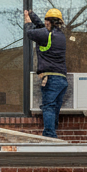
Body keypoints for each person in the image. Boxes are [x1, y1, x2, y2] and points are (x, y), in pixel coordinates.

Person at [23, 7, 68, 138]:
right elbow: (42, 27)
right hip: (62, 80)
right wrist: (33, 15)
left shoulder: (46, 35)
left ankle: (49, 135)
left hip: (50, 79)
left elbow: (30, 33)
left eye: (46, 21)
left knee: (48, 107)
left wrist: (28, 21)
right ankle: (52, 133)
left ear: (48, 22)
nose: (45, 23)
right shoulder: (60, 36)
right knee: (54, 108)